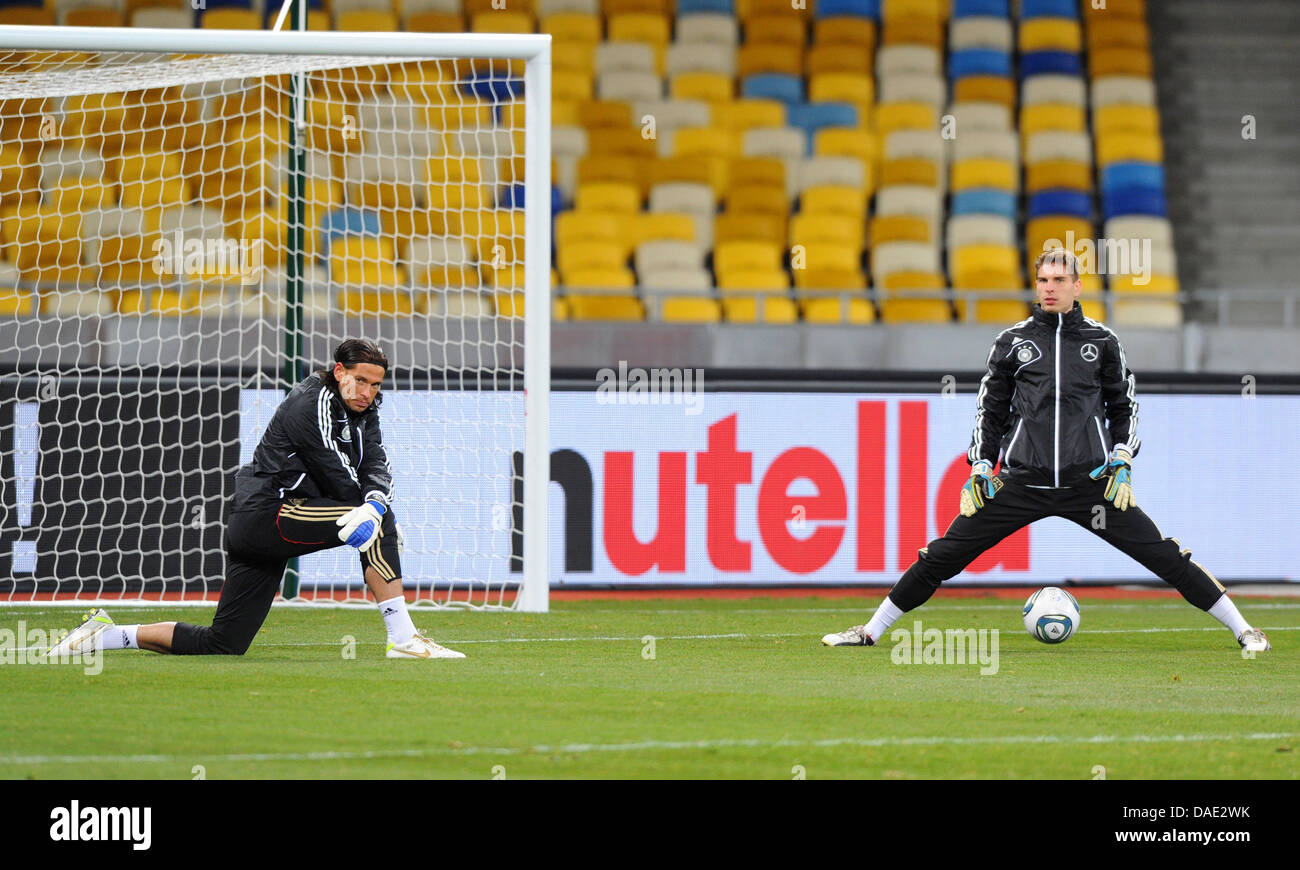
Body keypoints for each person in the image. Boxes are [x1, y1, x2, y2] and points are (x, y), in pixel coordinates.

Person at [822, 249, 1270, 654]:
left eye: (1059, 280)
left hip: (1091, 485)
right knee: (940, 557)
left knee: (1165, 557)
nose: (1050, 288)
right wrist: (981, 465)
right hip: (1020, 483)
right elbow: (989, 411)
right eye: (1043, 281)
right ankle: (870, 632)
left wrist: (1122, 457)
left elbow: (1124, 407)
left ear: (1078, 286)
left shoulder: (1103, 343)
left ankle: (1245, 630)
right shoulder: (1012, 342)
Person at [49, 338, 464, 660]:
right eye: (360, 380)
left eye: (375, 384)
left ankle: (108, 635)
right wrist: (377, 512)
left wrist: (373, 502)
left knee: (223, 643)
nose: (368, 391)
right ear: (339, 371)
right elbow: (334, 469)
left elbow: (375, 460)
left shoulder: (364, 411)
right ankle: (404, 638)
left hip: (273, 527)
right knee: (380, 519)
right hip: (267, 513)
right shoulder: (311, 402)